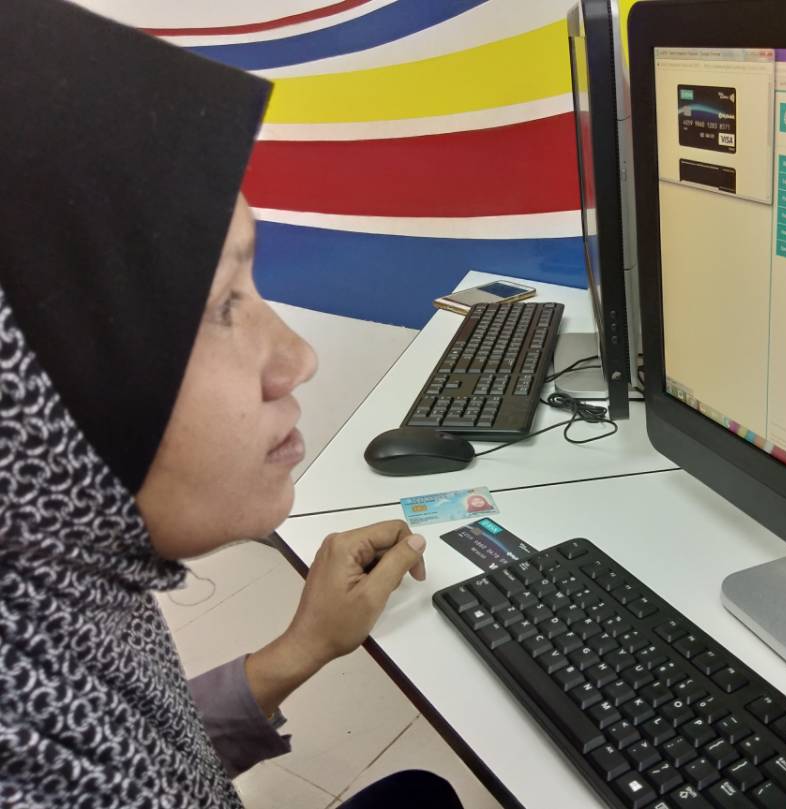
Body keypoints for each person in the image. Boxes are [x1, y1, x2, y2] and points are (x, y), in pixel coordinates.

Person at [0, 1, 462, 807]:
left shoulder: (51, 611)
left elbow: (141, 745)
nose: (296, 359)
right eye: (220, 306)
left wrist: (302, 645)